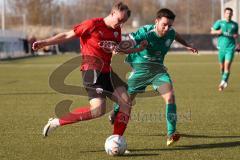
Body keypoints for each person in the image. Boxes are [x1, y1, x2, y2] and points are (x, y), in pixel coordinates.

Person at [32, 2, 147, 139]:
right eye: (119, 20)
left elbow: (118, 49)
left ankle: (116, 140)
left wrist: (134, 49)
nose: (120, 24)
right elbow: (67, 35)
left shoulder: (117, 31)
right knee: (98, 110)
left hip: (107, 72)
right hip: (91, 71)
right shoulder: (92, 24)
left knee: (126, 102)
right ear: (112, 13)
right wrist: (45, 43)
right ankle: (56, 122)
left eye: (123, 22)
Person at [109, 8, 198, 146]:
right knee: (127, 102)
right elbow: (131, 41)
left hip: (158, 71)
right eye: (164, 25)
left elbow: (175, 35)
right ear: (156, 21)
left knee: (170, 97)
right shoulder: (145, 32)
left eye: (170, 25)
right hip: (139, 70)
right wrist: (118, 47)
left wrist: (187, 45)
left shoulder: (171, 32)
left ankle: (171, 133)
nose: (167, 28)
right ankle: (115, 111)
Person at [210, 7, 238, 91]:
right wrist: (217, 32)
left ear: (232, 14)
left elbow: (236, 34)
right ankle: (224, 78)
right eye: (227, 13)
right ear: (224, 14)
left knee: (227, 66)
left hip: (230, 48)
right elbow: (212, 31)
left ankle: (223, 82)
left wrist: (236, 37)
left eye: (230, 13)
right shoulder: (220, 22)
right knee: (221, 67)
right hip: (221, 48)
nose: (228, 14)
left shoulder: (235, 25)